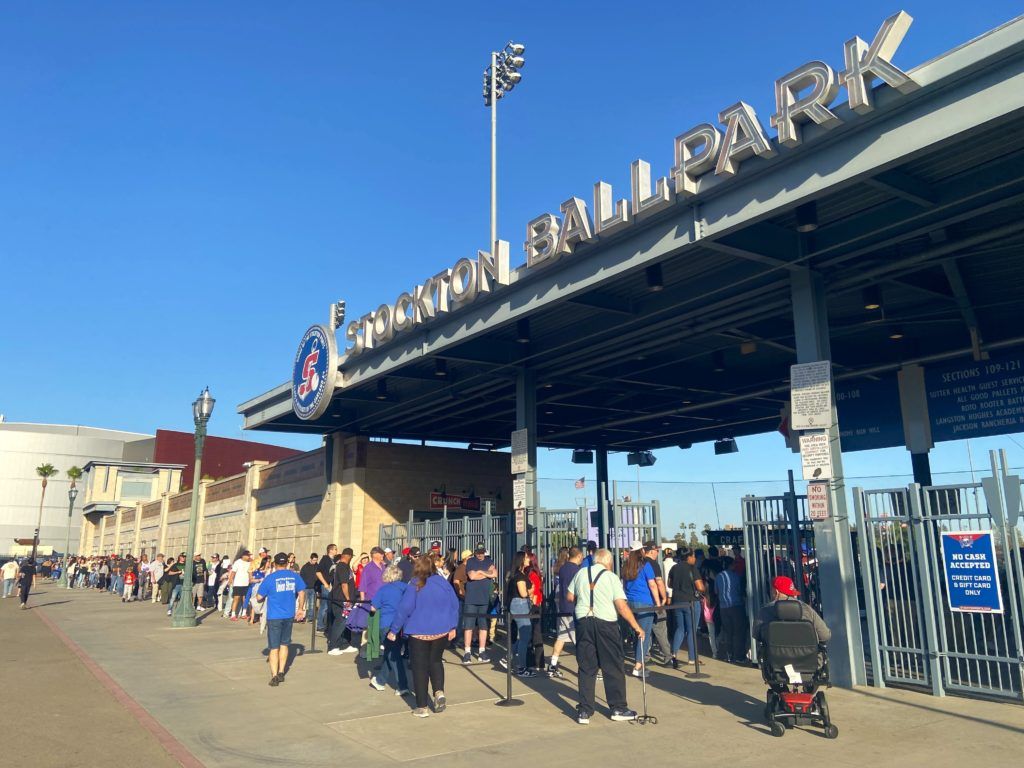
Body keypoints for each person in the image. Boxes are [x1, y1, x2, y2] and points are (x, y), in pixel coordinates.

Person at [567, 548, 641, 724]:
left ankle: (584, 711)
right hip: (606, 623)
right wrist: (636, 626)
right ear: (608, 562)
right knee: (613, 666)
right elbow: (621, 606)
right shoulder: (611, 577)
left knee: (586, 666)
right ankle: (618, 707)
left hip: (584, 622)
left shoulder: (581, 573)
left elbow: (570, 597)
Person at [388, 554, 459, 717]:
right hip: (441, 630)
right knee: (435, 661)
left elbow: (404, 608)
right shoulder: (442, 582)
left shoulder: (415, 584)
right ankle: (439, 692)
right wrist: (453, 625)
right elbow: (454, 605)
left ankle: (422, 706)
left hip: (419, 631)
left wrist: (394, 630)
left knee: (420, 668)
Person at [255, 552, 305, 687]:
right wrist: (300, 608)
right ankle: (282, 671)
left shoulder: (270, 578)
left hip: (274, 616)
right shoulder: (294, 576)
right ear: (287, 563)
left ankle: (274, 675)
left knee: (274, 647)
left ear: (275, 564)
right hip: (289, 615)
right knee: (284, 644)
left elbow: (259, 597)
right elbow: (301, 591)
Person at [753, 575, 830, 653]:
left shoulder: (765, 612)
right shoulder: (807, 609)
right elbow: (825, 635)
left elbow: (756, 635)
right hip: (808, 661)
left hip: (774, 661)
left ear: (775, 592)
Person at [369, 562, 410, 695]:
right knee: (391, 652)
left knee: (393, 655)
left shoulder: (384, 589)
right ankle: (380, 680)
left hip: (387, 624)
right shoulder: (406, 588)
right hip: (403, 625)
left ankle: (403, 685)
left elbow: (373, 608)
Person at [621, 546, 661, 678]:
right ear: (641, 551)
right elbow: (652, 584)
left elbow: (624, 584)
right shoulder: (645, 565)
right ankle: (638, 665)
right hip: (644, 601)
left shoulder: (626, 565)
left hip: (630, 602)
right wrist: (658, 603)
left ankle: (640, 663)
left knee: (635, 632)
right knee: (644, 633)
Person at [667, 547, 705, 668]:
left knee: (680, 628)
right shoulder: (692, 568)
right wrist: (704, 589)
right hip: (691, 602)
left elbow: (669, 584)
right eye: (693, 556)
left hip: (677, 601)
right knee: (691, 630)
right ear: (688, 557)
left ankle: (673, 654)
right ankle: (692, 658)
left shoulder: (674, 568)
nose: (694, 559)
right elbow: (700, 587)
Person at [548, 546, 583, 678]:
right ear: (578, 556)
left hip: (563, 607)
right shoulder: (578, 571)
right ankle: (584, 669)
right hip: (573, 609)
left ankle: (552, 664)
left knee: (561, 637)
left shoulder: (563, 568)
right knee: (579, 640)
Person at [502, 552, 536, 678]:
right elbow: (523, 593)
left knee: (523, 636)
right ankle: (521, 667)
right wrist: (531, 590)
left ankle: (508, 657)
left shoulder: (517, 574)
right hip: (520, 605)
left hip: (519, 605)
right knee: (524, 636)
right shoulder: (519, 576)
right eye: (526, 558)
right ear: (521, 560)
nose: (529, 560)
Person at [461, 543, 496, 664]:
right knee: (469, 626)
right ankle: (467, 652)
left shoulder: (489, 560)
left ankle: (482, 651)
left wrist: (480, 572)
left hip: (484, 599)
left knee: (483, 626)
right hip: (471, 599)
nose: (480, 554)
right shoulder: (470, 561)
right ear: (475, 552)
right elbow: (471, 576)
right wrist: (486, 574)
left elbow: (494, 574)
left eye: (482, 552)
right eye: (478, 552)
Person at [349, 547, 386, 654]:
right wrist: (363, 601)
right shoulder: (368, 568)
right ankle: (365, 650)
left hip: (382, 601)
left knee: (378, 626)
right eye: (381, 554)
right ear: (375, 555)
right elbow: (363, 585)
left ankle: (376, 647)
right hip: (370, 600)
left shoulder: (383, 566)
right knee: (368, 626)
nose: (383, 555)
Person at [642, 541, 672, 665]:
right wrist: (664, 598)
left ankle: (646, 656)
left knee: (645, 629)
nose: (658, 553)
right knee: (661, 629)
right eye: (656, 550)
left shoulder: (639, 563)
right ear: (652, 551)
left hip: (642, 601)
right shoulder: (653, 564)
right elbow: (658, 582)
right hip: (655, 601)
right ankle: (667, 657)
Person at [715, 556, 747, 662]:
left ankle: (729, 654)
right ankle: (739, 656)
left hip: (723, 607)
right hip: (736, 606)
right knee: (738, 632)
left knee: (728, 632)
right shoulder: (736, 576)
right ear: (730, 565)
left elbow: (716, 591)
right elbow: (739, 590)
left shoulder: (718, 576)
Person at [327, 549, 357, 655]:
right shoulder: (342, 566)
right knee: (340, 621)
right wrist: (348, 599)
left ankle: (343, 644)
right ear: (348, 556)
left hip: (344, 599)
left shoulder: (345, 566)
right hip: (341, 599)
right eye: (351, 556)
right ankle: (333, 646)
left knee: (345, 622)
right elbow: (344, 584)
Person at [316, 544, 338, 632]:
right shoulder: (325, 559)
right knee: (324, 606)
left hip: (332, 585)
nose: (337, 551)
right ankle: (320, 625)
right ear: (330, 550)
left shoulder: (334, 560)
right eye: (335, 549)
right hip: (326, 585)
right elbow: (318, 572)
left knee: (329, 606)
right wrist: (325, 583)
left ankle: (327, 624)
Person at [229, 551, 252, 620]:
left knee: (245, 599)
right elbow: (233, 572)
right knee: (236, 598)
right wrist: (231, 579)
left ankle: (244, 613)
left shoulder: (250, 563)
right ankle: (233, 615)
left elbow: (250, 572)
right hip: (238, 583)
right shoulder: (237, 562)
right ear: (243, 556)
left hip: (246, 583)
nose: (249, 557)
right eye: (248, 555)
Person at [299, 553, 319, 623]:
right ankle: (303, 617)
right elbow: (301, 577)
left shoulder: (317, 566)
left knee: (312, 604)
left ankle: (310, 618)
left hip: (314, 588)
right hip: (306, 588)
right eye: (314, 560)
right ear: (311, 559)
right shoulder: (305, 567)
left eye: (316, 560)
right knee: (304, 604)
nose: (315, 562)